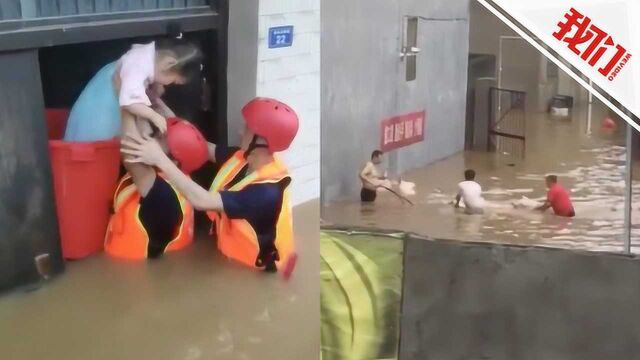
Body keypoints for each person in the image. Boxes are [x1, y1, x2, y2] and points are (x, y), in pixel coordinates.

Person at [121, 97, 299, 273]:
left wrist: (160, 159)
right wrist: (161, 109)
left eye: (247, 129)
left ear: (264, 141)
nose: (239, 131)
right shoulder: (244, 158)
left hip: (256, 271)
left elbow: (203, 200)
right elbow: (199, 146)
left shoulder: (266, 193)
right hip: (233, 257)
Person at [104, 118, 209, 259]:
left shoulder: (163, 195)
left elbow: (130, 147)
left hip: (132, 273)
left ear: (172, 161)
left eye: (159, 139)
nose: (152, 140)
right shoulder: (173, 178)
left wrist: (127, 103)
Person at [64, 38, 203, 142]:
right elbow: (129, 102)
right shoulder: (138, 68)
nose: (168, 85)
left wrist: (155, 87)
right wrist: (155, 117)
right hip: (95, 130)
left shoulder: (145, 54)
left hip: (92, 112)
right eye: (173, 81)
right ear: (168, 63)